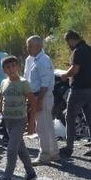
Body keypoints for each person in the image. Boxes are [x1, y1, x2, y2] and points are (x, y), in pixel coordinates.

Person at [0, 56, 37, 180]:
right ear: (4, 70)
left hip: (19, 121)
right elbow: (1, 102)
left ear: (18, 67)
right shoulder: (4, 82)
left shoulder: (23, 83)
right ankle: (31, 173)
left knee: (11, 150)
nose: (11, 69)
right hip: (8, 120)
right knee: (20, 148)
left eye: (13, 66)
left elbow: (33, 102)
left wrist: (32, 122)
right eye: (8, 67)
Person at [60, 30, 91, 158]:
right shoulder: (90, 49)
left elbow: (75, 69)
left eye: (68, 42)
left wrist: (65, 75)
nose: (68, 45)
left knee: (69, 117)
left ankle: (69, 146)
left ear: (71, 39)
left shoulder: (77, 51)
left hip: (79, 89)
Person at [24, 36, 58, 165]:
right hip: (36, 96)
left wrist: (38, 100)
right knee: (47, 125)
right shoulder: (32, 60)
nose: (28, 48)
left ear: (38, 46)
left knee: (42, 127)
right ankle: (54, 152)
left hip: (42, 96)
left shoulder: (43, 60)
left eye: (30, 46)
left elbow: (45, 83)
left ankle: (44, 154)